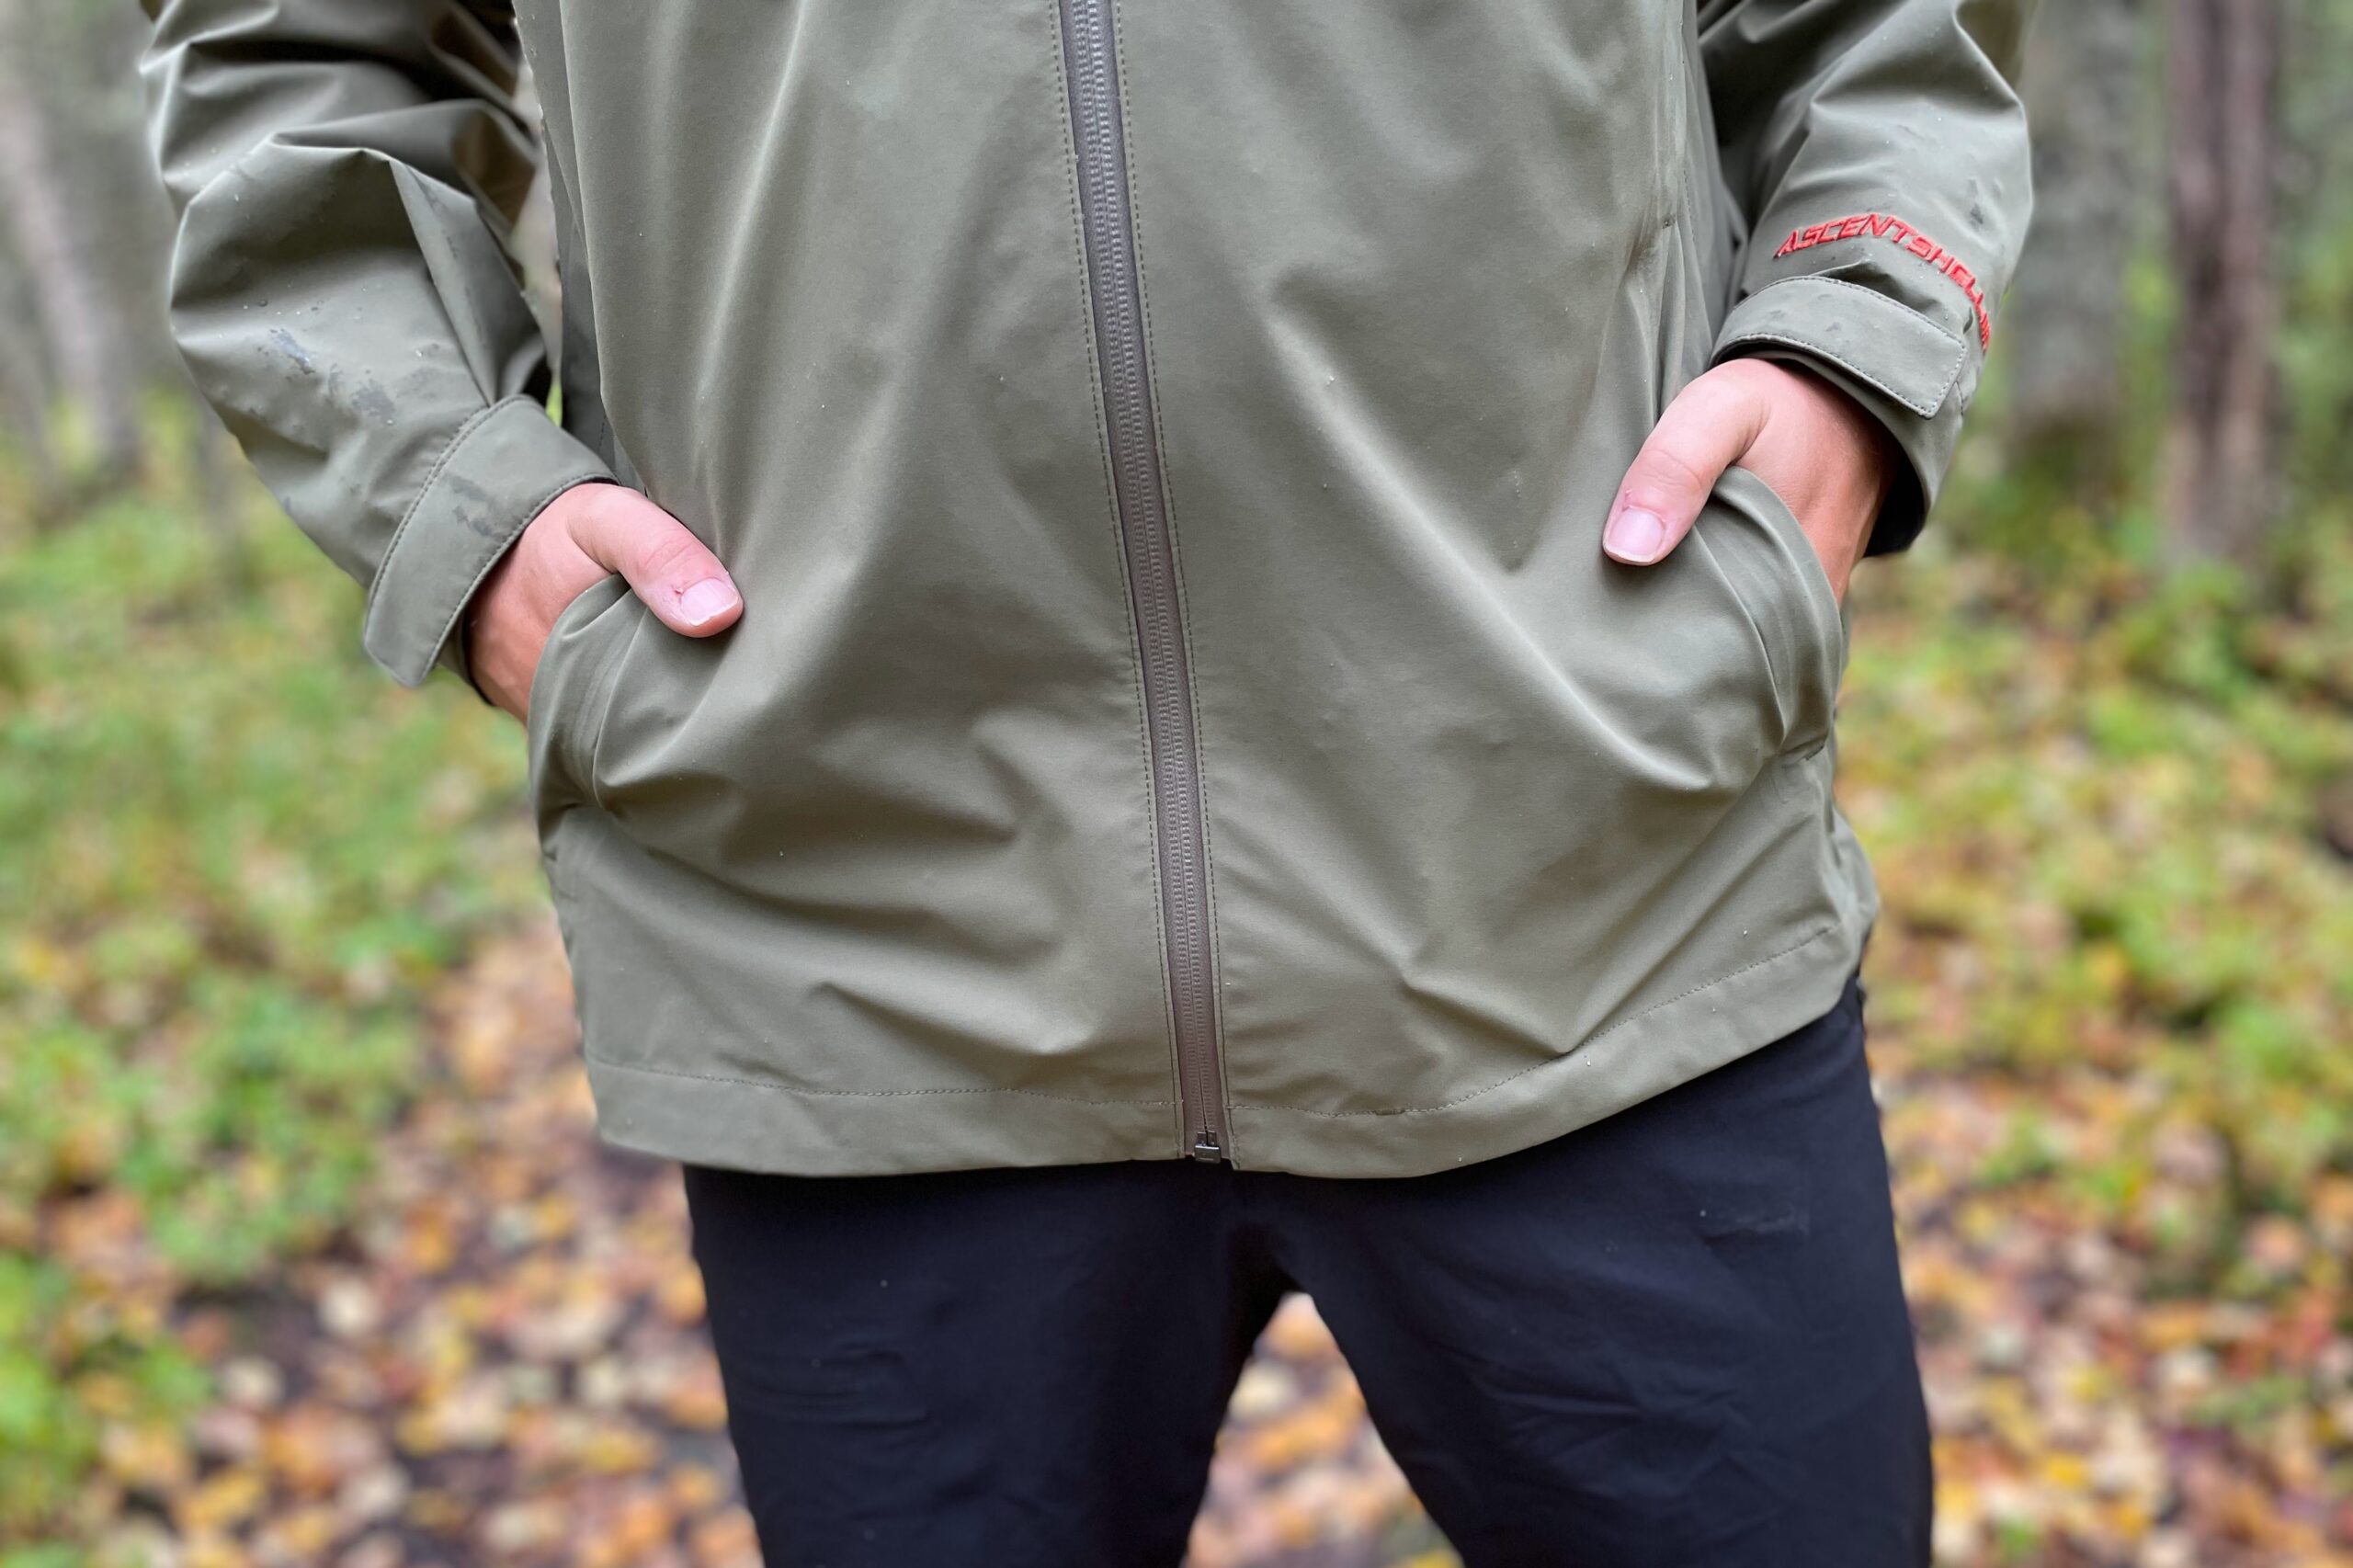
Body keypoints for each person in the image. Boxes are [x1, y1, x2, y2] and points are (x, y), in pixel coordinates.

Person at [140, 2, 2031, 1562]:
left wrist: (1857, 324)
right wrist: (452, 504)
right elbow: (287, 57)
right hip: (861, 923)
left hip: (1597, 872)